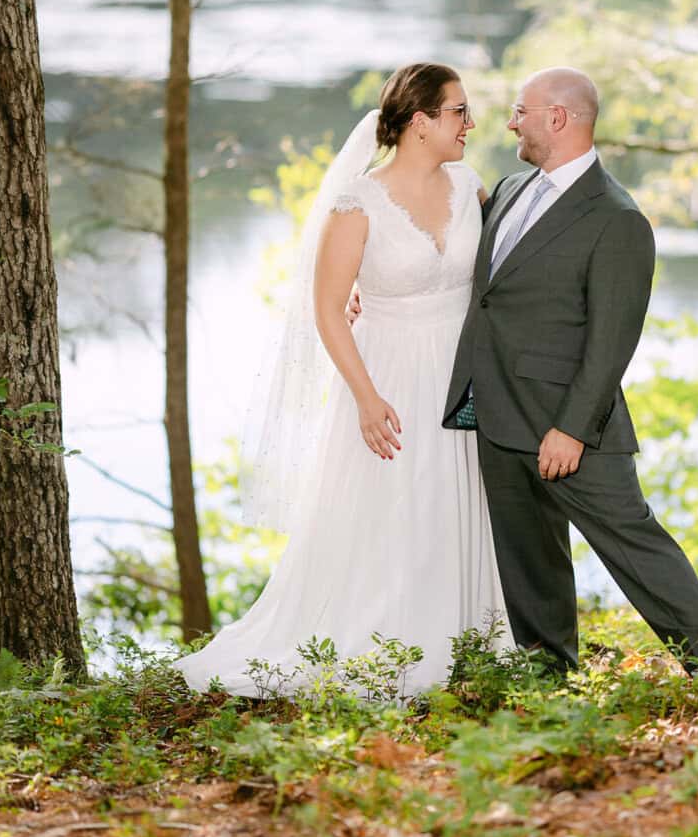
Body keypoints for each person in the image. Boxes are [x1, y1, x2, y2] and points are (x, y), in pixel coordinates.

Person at [173, 63, 505, 698]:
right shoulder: (358, 203)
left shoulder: (472, 188)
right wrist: (365, 396)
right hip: (386, 374)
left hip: (459, 373)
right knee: (393, 505)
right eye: (459, 111)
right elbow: (326, 308)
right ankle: (389, 643)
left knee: (456, 497)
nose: (470, 123)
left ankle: (468, 635)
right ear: (420, 123)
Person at [443, 67, 698, 673]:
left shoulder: (617, 217)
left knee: (634, 542)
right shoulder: (512, 189)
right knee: (529, 558)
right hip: (496, 412)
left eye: (522, 111)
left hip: (570, 426)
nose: (511, 122)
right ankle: (548, 677)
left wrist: (571, 428)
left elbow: (612, 341)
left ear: (559, 118)